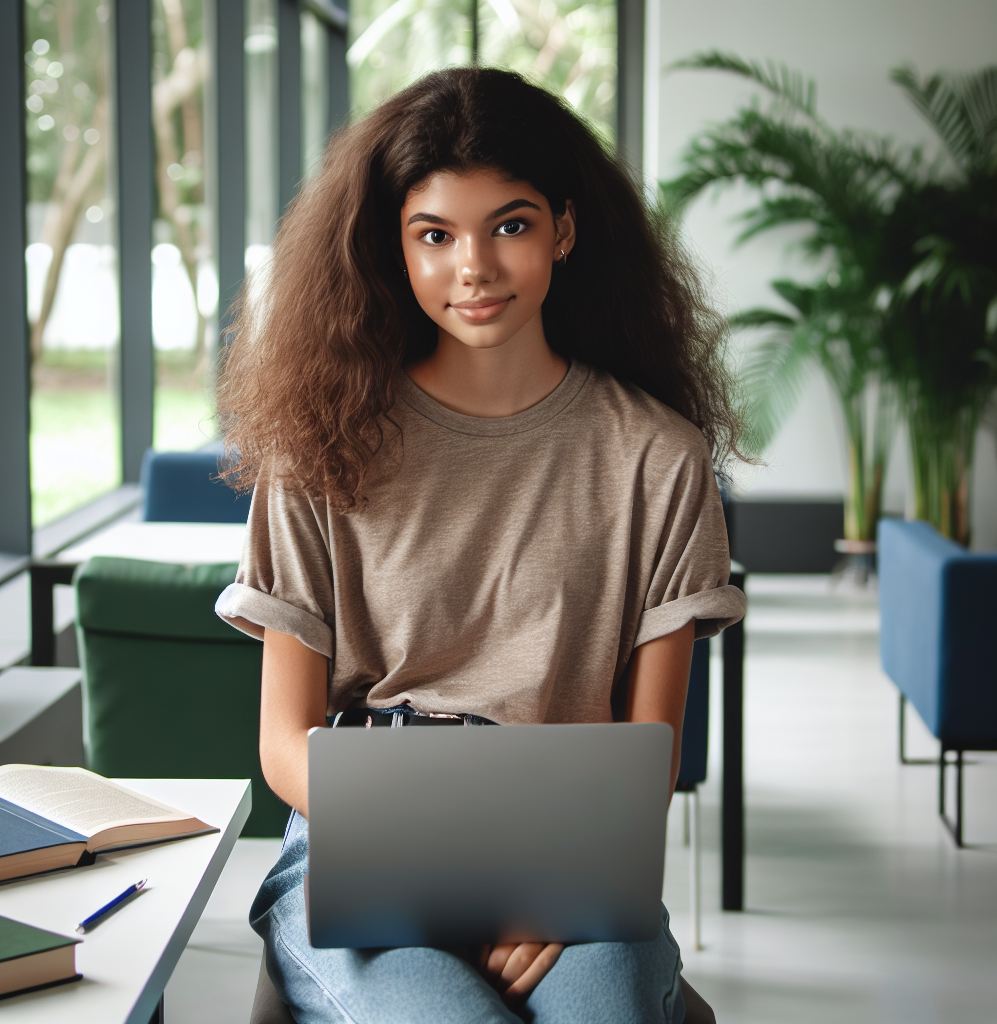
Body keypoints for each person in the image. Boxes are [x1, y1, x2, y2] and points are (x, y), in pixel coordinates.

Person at [215, 66, 745, 1024]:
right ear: (395, 248)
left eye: (510, 225)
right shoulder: (320, 452)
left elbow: (650, 746)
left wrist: (555, 874)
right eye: (435, 235)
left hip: (568, 853)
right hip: (364, 843)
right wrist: (434, 855)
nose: (476, 268)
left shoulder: (658, 458)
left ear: (564, 230)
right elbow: (283, 744)